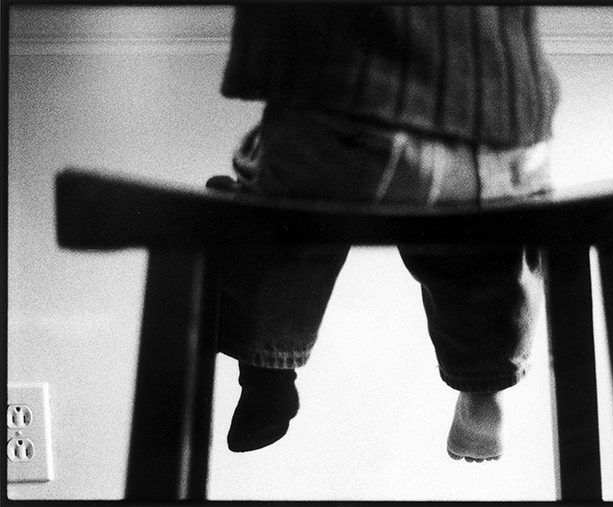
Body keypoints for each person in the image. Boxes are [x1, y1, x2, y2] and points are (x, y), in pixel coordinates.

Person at [213, 4, 560, 463]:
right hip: (496, 119)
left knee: (277, 222)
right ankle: (485, 392)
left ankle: (264, 372)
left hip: (339, 99)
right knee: (485, 248)